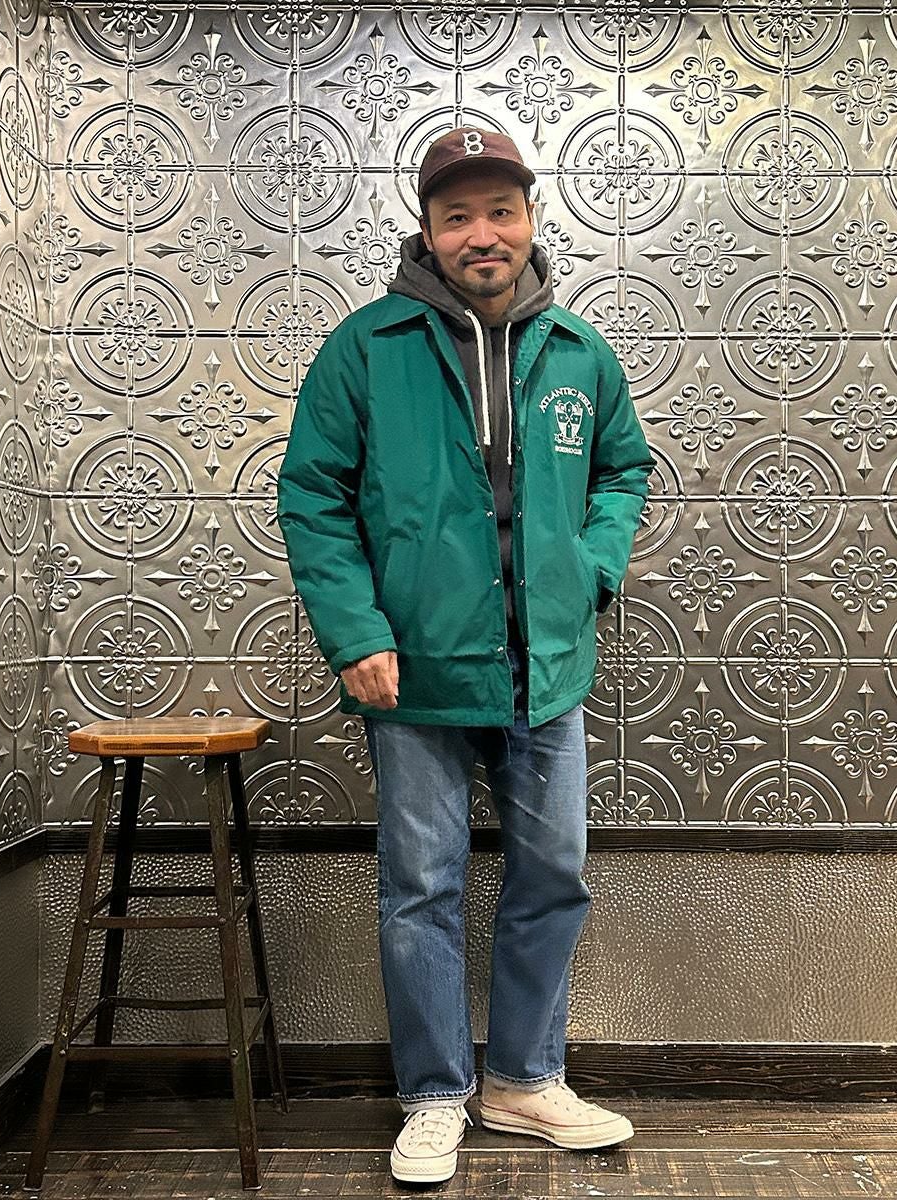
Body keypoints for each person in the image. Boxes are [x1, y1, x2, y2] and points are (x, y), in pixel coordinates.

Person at [278, 126, 654, 1185]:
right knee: (420, 888)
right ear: (428, 233)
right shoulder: (367, 347)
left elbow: (624, 470)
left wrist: (590, 569)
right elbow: (312, 495)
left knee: (553, 878)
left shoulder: (579, 351)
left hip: (549, 670)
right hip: (418, 672)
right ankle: (436, 1093)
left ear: (529, 219)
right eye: (457, 217)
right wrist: (356, 633)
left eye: (500, 211)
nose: (482, 234)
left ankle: (525, 1081)